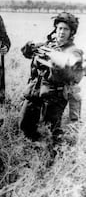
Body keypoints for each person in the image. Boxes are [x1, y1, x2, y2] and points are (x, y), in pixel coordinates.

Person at [20, 12, 83, 143]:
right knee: (25, 125)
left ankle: (55, 156)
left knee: (51, 131)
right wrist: (31, 45)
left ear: (72, 32)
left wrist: (58, 60)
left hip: (54, 96)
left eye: (66, 29)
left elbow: (74, 74)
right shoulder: (47, 44)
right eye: (59, 28)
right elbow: (26, 53)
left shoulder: (73, 52)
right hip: (35, 91)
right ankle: (35, 148)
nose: (62, 32)